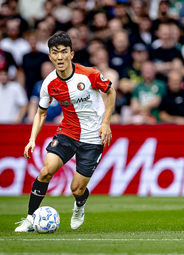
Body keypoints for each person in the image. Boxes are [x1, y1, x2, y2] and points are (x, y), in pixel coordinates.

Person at [14, 31, 116, 232]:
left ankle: (79, 205)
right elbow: (40, 113)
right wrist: (32, 139)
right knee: (45, 171)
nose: (59, 57)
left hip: (93, 137)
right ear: (50, 56)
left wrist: (106, 123)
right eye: (55, 53)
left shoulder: (89, 74)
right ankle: (29, 219)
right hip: (67, 133)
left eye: (63, 52)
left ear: (72, 54)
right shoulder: (49, 83)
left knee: (76, 189)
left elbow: (111, 91)